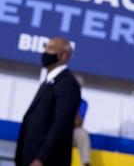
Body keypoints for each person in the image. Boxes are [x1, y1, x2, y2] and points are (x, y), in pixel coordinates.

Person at [15, 38, 82, 166]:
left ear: (64, 56)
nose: (45, 52)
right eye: (45, 47)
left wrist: (41, 159)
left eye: (50, 49)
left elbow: (61, 126)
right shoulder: (50, 81)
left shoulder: (68, 84)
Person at [73, 75, 91, 166]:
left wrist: (72, 103)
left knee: (82, 133)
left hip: (72, 133)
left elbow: (78, 124)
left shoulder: (83, 103)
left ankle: (85, 164)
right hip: (58, 131)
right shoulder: (58, 97)